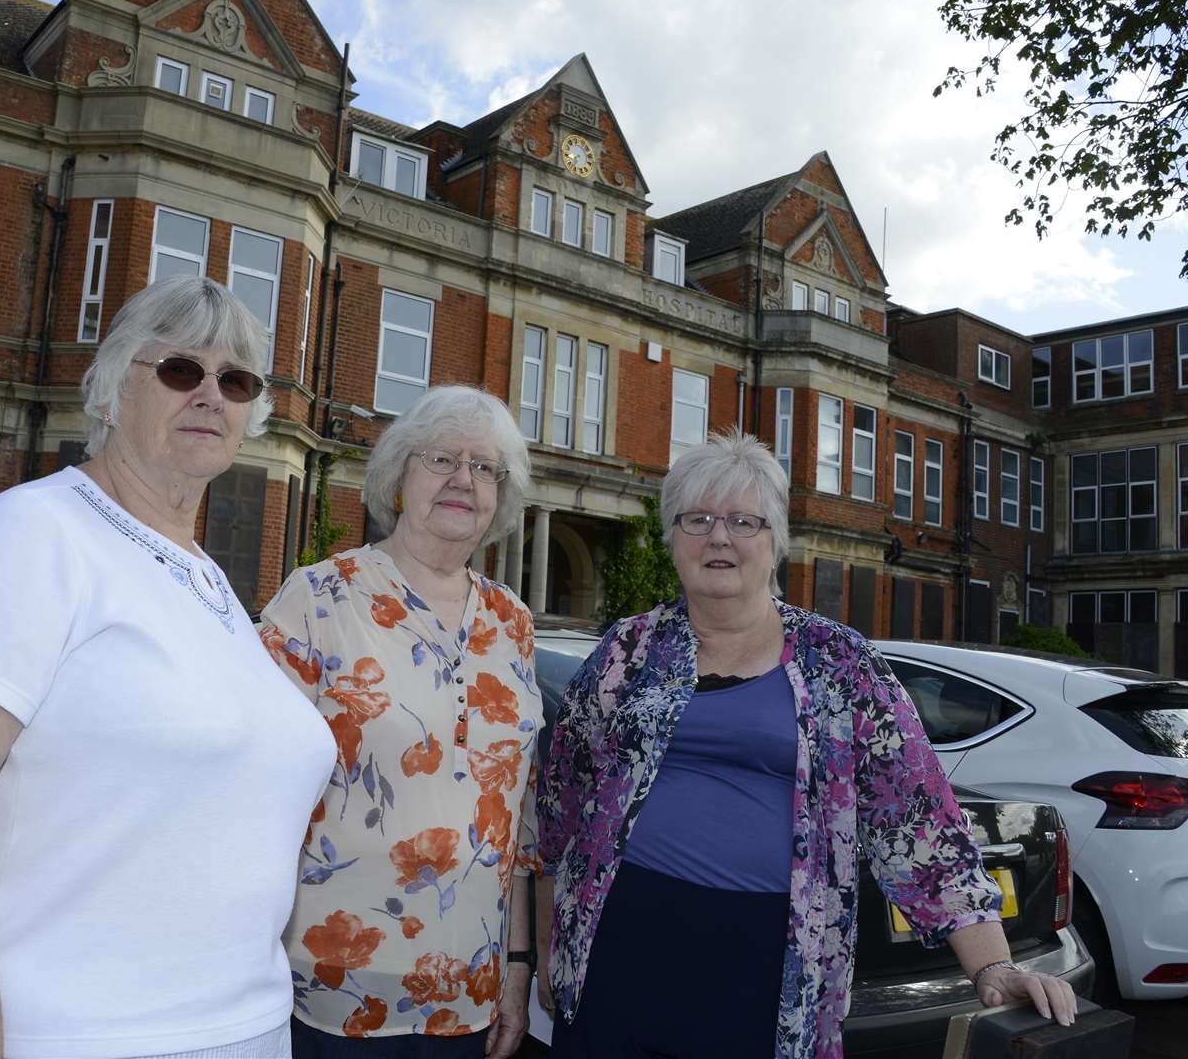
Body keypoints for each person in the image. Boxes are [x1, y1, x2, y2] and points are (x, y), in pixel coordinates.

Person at [0, 276, 336, 1058]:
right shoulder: (32, 537)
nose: (210, 395)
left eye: (237, 380)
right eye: (182, 370)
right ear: (113, 389)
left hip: (237, 1030)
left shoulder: (209, 581)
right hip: (62, 1035)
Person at [538, 430, 1077, 1058]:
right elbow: (561, 809)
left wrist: (992, 967)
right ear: (673, 537)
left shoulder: (839, 663)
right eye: (698, 519)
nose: (719, 537)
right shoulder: (627, 652)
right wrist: (553, 945)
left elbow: (916, 818)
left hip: (767, 962)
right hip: (617, 943)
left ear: (774, 545)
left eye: (744, 520)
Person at [258, 385, 541, 1058]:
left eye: (483, 468)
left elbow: (515, 818)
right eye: (442, 459)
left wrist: (518, 966)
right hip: (329, 986)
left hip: (467, 989)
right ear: (398, 478)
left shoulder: (514, 623)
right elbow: (253, 786)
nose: (462, 481)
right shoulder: (320, 598)